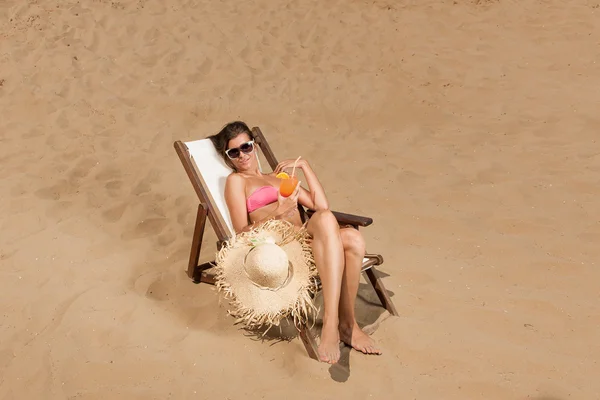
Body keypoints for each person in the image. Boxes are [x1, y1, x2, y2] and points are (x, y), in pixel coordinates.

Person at [208, 121, 381, 364]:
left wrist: (305, 167)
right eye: (233, 152)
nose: (242, 155)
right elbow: (241, 232)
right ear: (228, 157)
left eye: (245, 147)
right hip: (284, 246)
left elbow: (321, 206)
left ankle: (344, 325)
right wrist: (278, 212)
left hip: (310, 240)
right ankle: (340, 325)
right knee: (345, 234)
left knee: (346, 232)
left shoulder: (279, 177)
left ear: (254, 146)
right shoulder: (237, 182)